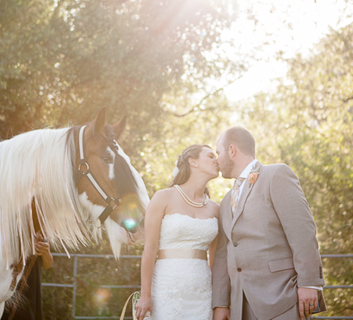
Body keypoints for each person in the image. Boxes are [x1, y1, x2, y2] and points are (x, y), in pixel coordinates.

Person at [212, 126, 326, 320]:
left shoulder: (276, 175)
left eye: (218, 152)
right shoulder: (225, 202)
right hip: (240, 306)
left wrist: (309, 283)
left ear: (232, 150)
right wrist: (221, 303)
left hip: (281, 297)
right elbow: (223, 253)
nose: (217, 159)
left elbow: (301, 230)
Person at [134, 144, 221, 320]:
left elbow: (216, 260)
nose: (217, 160)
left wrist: (219, 301)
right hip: (166, 290)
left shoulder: (216, 209)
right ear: (193, 162)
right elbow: (149, 250)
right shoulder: (163, 197)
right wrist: (145, 295)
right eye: (211, 156)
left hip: (203, 294)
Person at [2, 232, 53, 320]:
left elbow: (47, 264)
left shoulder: (39, 231)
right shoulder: (6, 228)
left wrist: (45, 252)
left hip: (31, 292)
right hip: (6, 287)